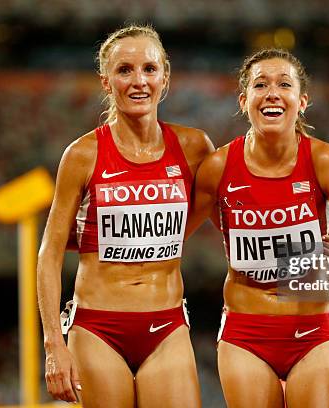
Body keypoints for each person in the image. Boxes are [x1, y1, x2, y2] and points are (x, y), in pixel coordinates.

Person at [190, 48, 329, 408]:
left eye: (284, 84)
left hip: (312, 333)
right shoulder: (217, 167)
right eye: (261, 84)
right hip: (246, 334)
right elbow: (172, 236)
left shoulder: (327, 161)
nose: (272, 92)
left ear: (302, 101)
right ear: (244, 101)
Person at [37, 24, 214, 407]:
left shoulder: (195, 146)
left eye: (149, 69)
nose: (139, 81)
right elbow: (49, 253)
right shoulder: (82, 154)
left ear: (165, 77)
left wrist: (316, 232)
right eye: (124, 70)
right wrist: (53, 344)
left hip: (167, 325)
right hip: (97, 328)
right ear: (106, 82)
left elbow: (237, 214)